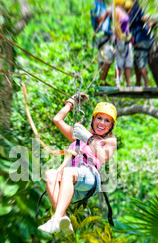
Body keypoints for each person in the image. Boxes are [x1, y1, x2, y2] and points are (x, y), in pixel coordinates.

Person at [38, 95, 117, 235]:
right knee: (50, 173)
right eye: (99, 118)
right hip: (71, 186)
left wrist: (88, 138)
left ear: (111, 126)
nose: (102, 123)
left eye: (107, 121)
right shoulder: (79, 134)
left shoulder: (110, 141)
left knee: (68, 172)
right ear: (93, 119)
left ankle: (55, 220)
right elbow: (57, 119)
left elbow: (103, 157)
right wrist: (71, 103)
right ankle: (63, 218)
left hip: (90, 178)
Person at [125, 0, 155, 87]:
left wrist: (150, 24)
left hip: (142, 40)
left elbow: (145, 18)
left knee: (141, 62)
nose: (127, 12)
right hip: (142, 40)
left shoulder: (136, 11)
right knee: (137, 61)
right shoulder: (131, 16)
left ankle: (147, 84)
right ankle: (138, 83)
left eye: (127, 9)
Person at [90, 0, 113, 85]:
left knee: (105, 59)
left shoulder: (102, 5)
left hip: (106, 33)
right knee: (108, 57)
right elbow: (99, 20)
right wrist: (107, 12)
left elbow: (106, 19)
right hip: (101, 34)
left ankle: (101, 81)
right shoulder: (95, 4)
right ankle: (101, 81)